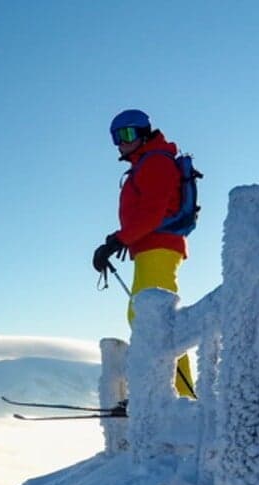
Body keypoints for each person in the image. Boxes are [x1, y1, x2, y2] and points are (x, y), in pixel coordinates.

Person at [93, 109, 195, 398]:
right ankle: (172, 393)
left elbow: (152, 214)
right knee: (144, 315)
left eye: (127, 134)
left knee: (154, 319)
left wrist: (117, 241)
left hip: (159, 248)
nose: (121, 143)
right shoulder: (147, 163)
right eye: (116, 137)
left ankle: (180, 397)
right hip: (150, 249)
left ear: (144, 132)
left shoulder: (156, 163)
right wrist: (122, 241)